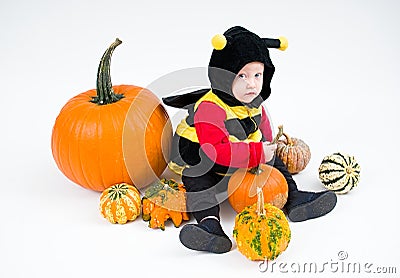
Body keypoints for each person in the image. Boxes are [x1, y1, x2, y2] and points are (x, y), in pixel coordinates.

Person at [162, 26, 337, 254]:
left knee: (274, 160)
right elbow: (214, 151)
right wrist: (256, 154)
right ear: (223, 76)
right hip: (206, 162)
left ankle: (294, 198)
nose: (252, 84)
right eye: (241, 76)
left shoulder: (255, 103)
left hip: (237, 163)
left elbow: (262, 133)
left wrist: (267, 150)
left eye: (258, 75)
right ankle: (210, 225)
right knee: (196, 176)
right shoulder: (210, 108)